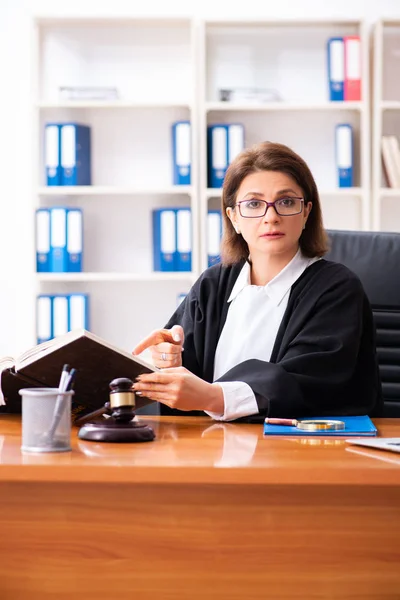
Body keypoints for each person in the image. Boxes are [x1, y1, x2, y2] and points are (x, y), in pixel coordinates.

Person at [132, 141, 382, 422]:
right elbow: (189, 386)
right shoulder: (211, 285)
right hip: (212, 447)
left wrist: (212, 396)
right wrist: (172, 362)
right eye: (253, 204)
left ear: (306, 212)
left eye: (286, 202)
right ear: (233, 218)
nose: (271, 217)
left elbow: (309, 382)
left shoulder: (336, 288)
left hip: (299, 451)